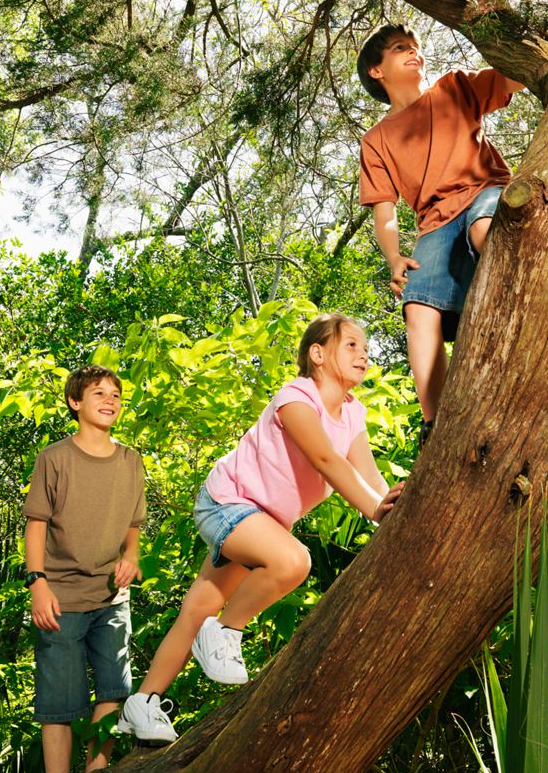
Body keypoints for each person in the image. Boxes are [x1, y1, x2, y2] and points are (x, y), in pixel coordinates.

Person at [116, 315, 403, 744]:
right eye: (351, 345)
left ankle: (142, 704)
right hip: (228, 504)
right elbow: (328, 461)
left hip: (259, 521)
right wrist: (377, 510)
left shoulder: (353, 413)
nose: (363, 354)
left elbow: (369, 475)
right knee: (293, 561)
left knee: (195, 611)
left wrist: (394, 505)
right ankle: (226, 631)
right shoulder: (296, 397)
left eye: (366, 348)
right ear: (318, 354)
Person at [356, 23, 524, 438]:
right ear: (377, 71)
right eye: (400, 49)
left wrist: (509, 36)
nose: (415, 53)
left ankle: (524, 319)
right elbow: (384, 210)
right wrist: (394, 257)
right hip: (435, 224)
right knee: (417, 304)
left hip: (486, 192)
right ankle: (436, 425)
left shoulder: (454, 88)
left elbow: (517, 75)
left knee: (487, 231)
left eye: (416, 48)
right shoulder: (375, 140)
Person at [18, 365, 146, 773]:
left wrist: (131, 559)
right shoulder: (54, 458)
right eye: (99, 393)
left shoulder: (131, 461)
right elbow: (35, 525)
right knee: (57, 702)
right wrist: (37, 584)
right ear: (76, 402)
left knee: (113, 689)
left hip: (111, 599)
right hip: (60, 598)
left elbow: (133, 528)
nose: (110, 400)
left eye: (116, 394)